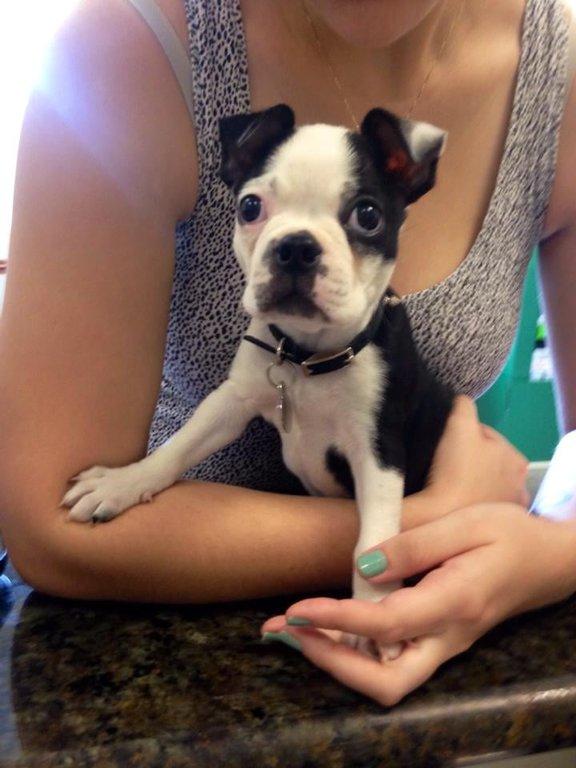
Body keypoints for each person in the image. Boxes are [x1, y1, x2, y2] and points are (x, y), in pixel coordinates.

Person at [0, 0, 575, 707]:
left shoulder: (558, 68)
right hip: (154, 617)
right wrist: (439, 521)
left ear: (410, 173)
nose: (298, 249)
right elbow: (49, 528)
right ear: (237, 169)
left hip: (426, 620)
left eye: (361, 216)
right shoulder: (124, 53)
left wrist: (556, 550)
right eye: (255, 209)